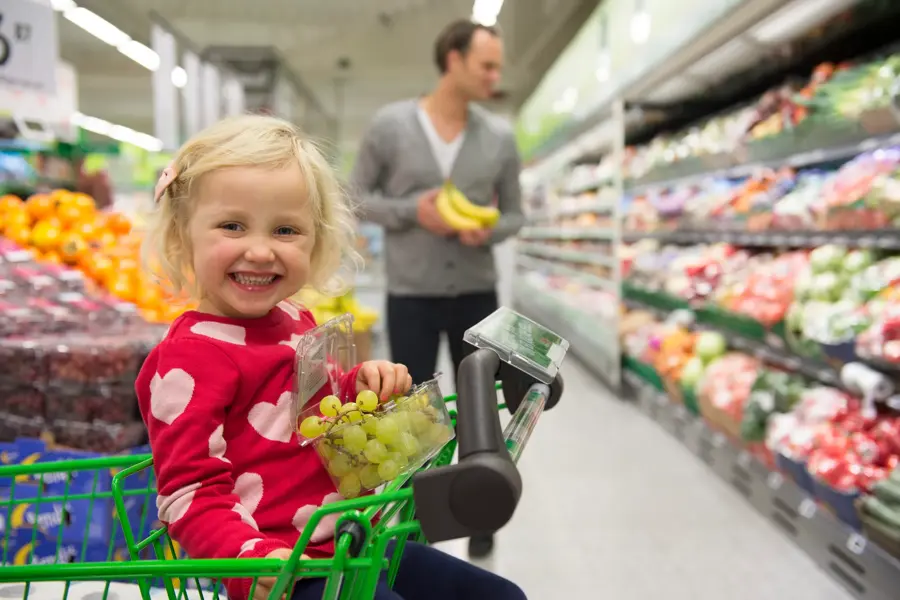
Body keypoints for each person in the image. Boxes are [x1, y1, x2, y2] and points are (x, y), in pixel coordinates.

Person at [136, 114, 526, 600]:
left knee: (499, 596)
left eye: (285, 230)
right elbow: (189, 494)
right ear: (181, 236)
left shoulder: (297, 321)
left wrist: (363, 383)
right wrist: (250, 560)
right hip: (287, 571)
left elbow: (319, 416)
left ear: (317, 240)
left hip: (353, 541)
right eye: (232, 226)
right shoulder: (189, 361)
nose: (260, 251)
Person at [351, 19, 524, 559]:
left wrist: (490, 227)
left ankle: (482, 511)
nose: (496, 77)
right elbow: (356, 196)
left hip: (477, 291)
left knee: (483, 407)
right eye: (487, 66)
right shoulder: (389, 125)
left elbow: (516, 213)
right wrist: (412, 213)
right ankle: (413, 517)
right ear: (453, 60)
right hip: (412, 292)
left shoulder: (498, 136)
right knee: (414, 409)